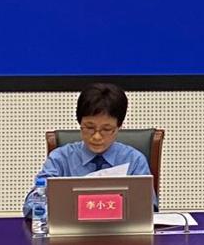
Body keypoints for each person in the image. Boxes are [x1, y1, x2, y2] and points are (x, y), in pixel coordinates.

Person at [25, 83, 154, 216]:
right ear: (80, 123)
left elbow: (149, 209)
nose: (97, 137)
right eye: (89, 127)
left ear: (118, 127)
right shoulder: (60, 159)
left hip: (120, 229)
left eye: (106, 129)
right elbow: (31, 206)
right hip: (70, 229)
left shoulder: (134, 160)